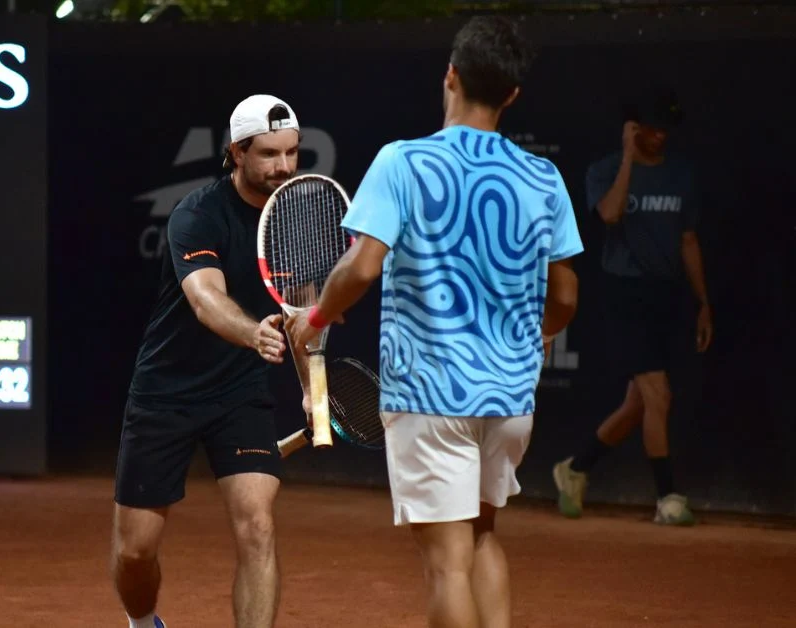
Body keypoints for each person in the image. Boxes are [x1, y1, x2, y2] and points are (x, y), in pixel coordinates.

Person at [286, 17, 582, 628]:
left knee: (447, 567)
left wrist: (315, 319)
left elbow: (362, 267)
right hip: (510, 398)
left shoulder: (402, 161)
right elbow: (566, 295)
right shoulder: (544, 178)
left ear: (450, 75)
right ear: (511, 94)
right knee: (482, 537)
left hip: (429, 395)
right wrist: (543, 334)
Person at [111, 94, 311, 628]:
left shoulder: (294, 220)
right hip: (166, 392)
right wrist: (252, 333)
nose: (284, 166)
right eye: (269, 153)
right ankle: (142, 622)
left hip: (240, 393)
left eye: (292, 152)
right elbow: (205, 300)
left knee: (258, 526)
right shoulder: (197, 214)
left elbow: (303, 314)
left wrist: (311, 385)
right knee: (136, 552)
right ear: (237, 152)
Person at [551, 85, 712, 526]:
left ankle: (575, 469)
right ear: (634, 128)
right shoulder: (604, 170)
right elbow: (609, 214)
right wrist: (627, 157)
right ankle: (667, 497)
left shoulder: (681, 175)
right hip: (625, 294)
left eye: (666, 129)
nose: (661, 136)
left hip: (667, 295)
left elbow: (688, 240)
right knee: (660, 395)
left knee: (638, 404)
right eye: (652, 128)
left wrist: (703, 302)